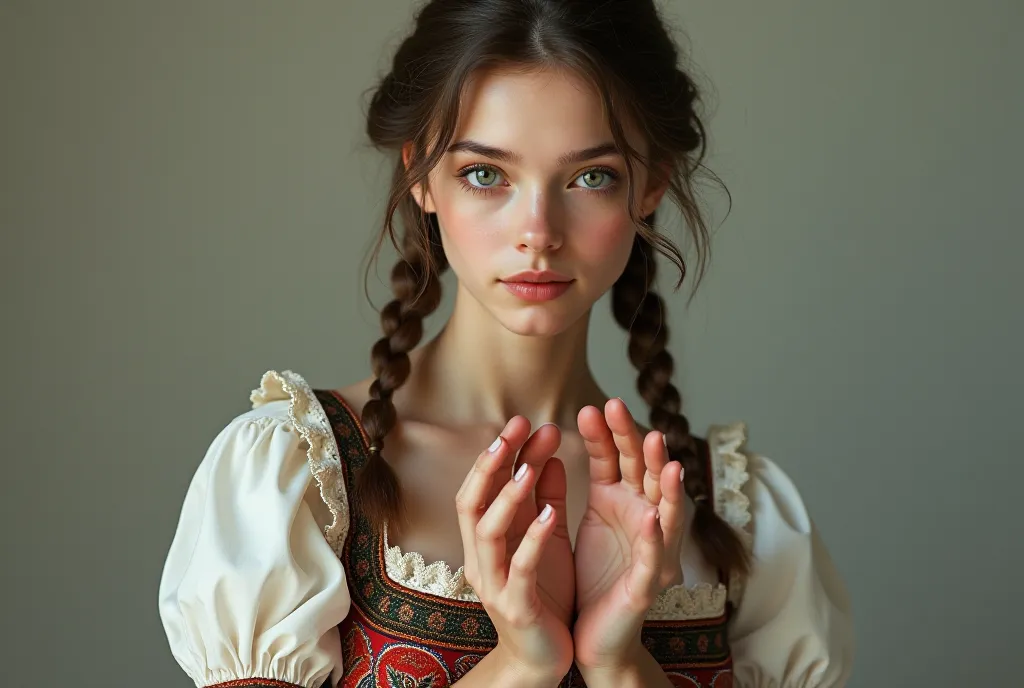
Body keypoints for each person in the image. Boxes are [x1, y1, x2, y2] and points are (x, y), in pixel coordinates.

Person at [158, 1, 854, 686]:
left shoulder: (736, 520)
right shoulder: (297, 478)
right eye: (486, 174)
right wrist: (524, 664)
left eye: (591, 177)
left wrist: (620, 663)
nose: (538, 230)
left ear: (652, 184)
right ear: (421, 176)